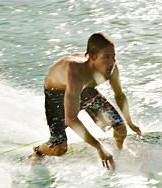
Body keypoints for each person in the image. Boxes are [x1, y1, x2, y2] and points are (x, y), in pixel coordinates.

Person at [33, 32, 142, 169]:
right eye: (106, 57)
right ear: (92, 57)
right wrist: (99, 147)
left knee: (120, 128)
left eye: (113, 56)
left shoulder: (111, 69)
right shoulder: (75, 73)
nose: (111, 62)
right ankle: (39, 151)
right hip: (57, 95)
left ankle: (120, 152)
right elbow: (71, 119)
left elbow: (119, 95)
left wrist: (129, 122)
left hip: (85, 91)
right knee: (59, 148)